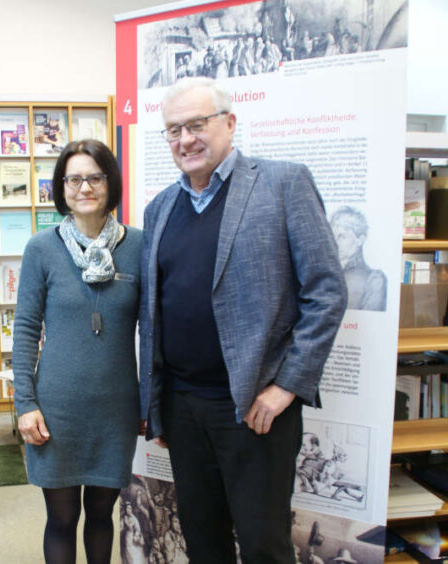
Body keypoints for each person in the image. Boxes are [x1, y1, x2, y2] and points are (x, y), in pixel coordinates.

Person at [139, 77, 347, 563]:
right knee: (203, 541)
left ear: (229, 124)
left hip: (255, 411)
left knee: (262, 546)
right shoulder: (160, 208)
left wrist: (286, 387)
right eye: (173, 130)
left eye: (196, 124)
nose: (185, 139)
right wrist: (159, 402)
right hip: (185, 410)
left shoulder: (282, 183)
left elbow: (327, 292)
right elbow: (156, 313)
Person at [13, 139, 141, 564]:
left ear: (111, 183)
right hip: (57, 410)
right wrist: (25, 403)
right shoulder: (41, 248)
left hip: (115, 409)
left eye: (94, 177)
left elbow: (154, 329)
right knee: (62, 519)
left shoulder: (139, 246)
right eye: (73, 179)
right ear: (61, 187)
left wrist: (151, 400)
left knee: (103, 514)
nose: (84, 187)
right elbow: (26, 330)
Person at [330, 205, 387, 311]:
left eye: (342, 236)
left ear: (360, 240)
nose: (335, 242)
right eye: (333, 236)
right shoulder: (325, 275)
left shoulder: (374, 280)